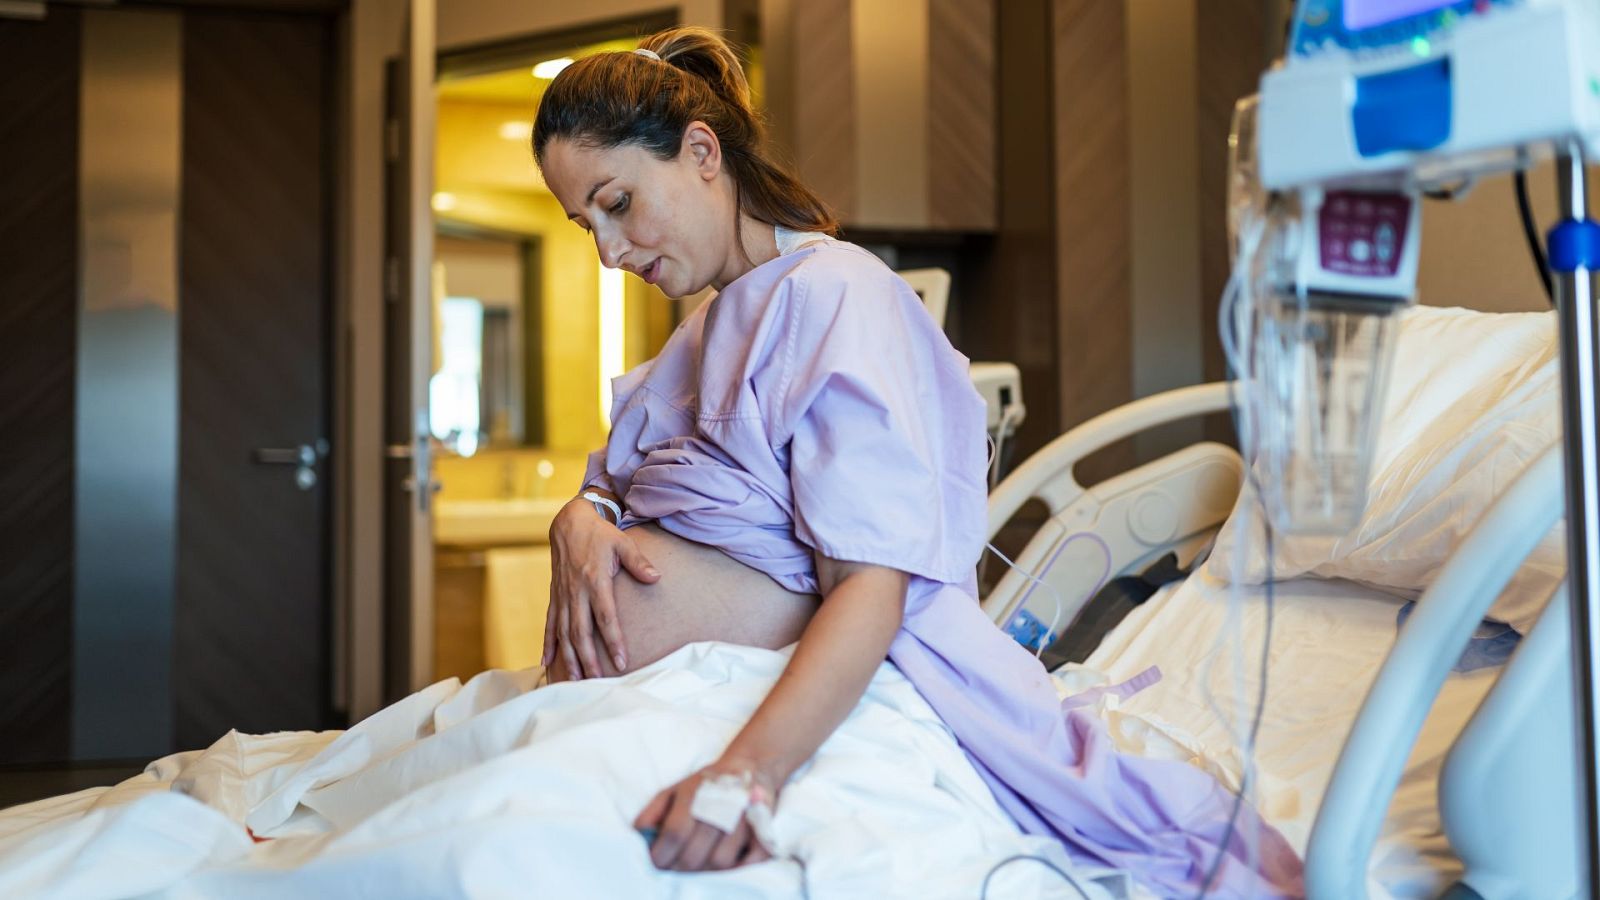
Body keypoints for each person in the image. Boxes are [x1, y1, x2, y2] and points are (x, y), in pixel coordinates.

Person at [532, 26, 1303, 896]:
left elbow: (872, 585)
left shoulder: (834, 296)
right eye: (582, 223)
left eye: (617, 203)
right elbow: (618, 479)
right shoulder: (706, 331)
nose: (605, 249)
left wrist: (745, 776)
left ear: (701, 152)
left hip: (785, 711)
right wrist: (582, 514)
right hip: (649, 701)